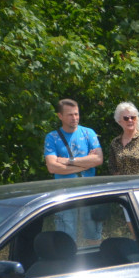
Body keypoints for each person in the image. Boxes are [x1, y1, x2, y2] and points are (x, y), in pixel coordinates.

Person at [43, 98, 104, 241]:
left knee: (93, 236)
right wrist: (86, 164)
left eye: (76, 114)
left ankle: (95, 261)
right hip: (64, 192)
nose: (74, 118)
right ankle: (68, 262)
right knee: (66, 236)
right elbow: (52, 167)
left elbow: (98, 159)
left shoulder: (89, 133)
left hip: (89, 190)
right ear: (60, 116)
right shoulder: (52, 137)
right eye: (70, 115)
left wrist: (68, 161)